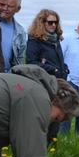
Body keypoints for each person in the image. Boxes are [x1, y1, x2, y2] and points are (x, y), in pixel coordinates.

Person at [26, 9, 68, 142]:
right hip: (43, 86)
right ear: (41, 22)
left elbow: (57, 61)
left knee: (56, 121)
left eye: (56, 22)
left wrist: (64, 68)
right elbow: (32, 63)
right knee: (44, 120)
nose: (54, 25)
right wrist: (53, 69)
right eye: (50, 22)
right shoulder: (34, 40)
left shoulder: (55, 41)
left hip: (57, 85)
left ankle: (52, 152)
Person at [60, 18, 79, 135]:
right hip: (70, 82)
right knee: (66, 113)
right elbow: (60, 57)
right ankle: (63, 139)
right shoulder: (68, 39)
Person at [0, 0, 27, 72]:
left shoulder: (20, 32)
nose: (5, 8)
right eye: (3, 4)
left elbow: (20, 60)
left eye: (10, 6)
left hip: (9, 77)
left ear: (18, 9)